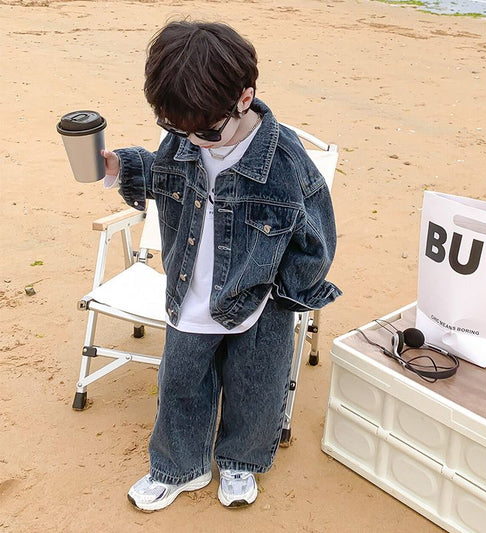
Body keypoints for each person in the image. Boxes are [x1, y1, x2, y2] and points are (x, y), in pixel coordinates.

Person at [101, 20, 341, 512]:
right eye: (176, 129)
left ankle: (241, 462)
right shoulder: (187, 138)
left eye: (207, 131)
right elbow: (163, 173)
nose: (194, 142)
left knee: (257, 387)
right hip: (191, 289)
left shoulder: (286, 164)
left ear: (245, 98)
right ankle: (177, 467)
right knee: (181, 382)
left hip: (260, 298)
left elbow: (316, 238)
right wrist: (121, 167)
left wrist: (286, 293)